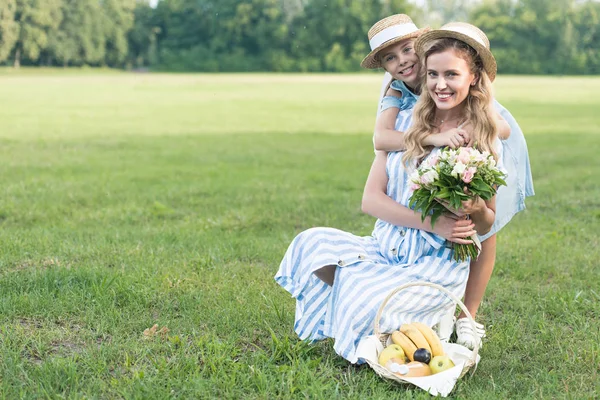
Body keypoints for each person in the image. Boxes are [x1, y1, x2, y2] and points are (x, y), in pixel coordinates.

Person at [275, 22, 503, 363]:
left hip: (432, 262)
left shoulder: (480, 136)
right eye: (433, 75)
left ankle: (401, 307)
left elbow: (487, 224)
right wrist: (432, 222)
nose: (440, 85)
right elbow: (371, 200)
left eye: (452, 75)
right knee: (309, 245)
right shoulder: (402, 123)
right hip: (387, 246)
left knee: (362, 299)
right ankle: (374, 297)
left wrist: (475, 208)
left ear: (472, 78)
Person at [362, 17, 534, 349]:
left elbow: (502, 129)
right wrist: (437, 137)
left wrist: (470, 134)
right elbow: (382, 138)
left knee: (485, 225)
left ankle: (467, 315)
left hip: (476, 142)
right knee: (438, 204)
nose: (403, 62)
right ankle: (435, 294)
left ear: (422, 47)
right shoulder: (397, 89)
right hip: (427, 137)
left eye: (408, 50)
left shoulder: (449, 73)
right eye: (391, 58)